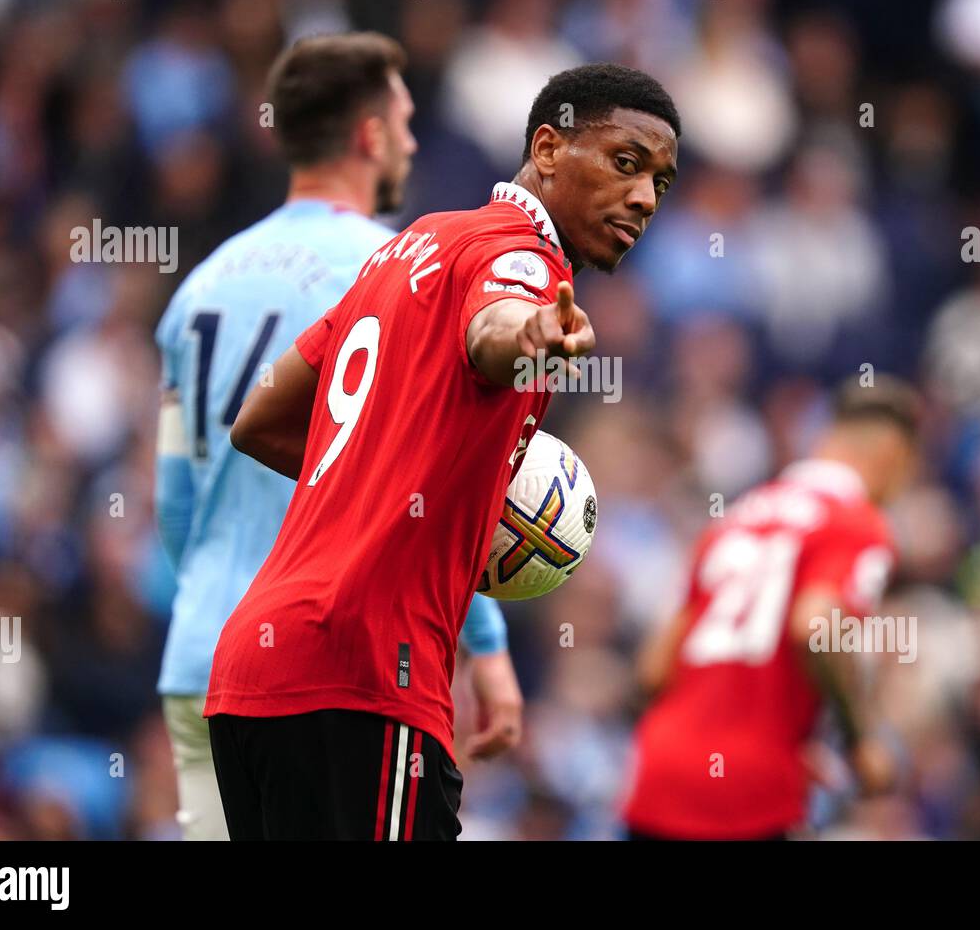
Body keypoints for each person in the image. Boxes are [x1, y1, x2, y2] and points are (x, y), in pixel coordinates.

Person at [204, 62, 681, 840]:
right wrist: (529, 339)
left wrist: (392, 481)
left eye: (661, 182)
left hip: (256, 668)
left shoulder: (415, 245)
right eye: (626, 163)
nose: (644, 198)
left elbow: (259, 420)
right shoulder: (524, 258)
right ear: (549, 147)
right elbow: (497, 328)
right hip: (365, 672)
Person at [153, 33, 521, 841]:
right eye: (406, 120)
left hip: (209, 662)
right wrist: (485, 645)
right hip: (332, 654)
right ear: (370, 135)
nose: (415, 141)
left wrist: (206, 608)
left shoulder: (201, 285)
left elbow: (174, 505)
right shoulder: (398, 269)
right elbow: (426, 476)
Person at [620, 377, 921, 840]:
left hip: (658, 780)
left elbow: (652, 671)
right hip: (750, 797)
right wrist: (861, 740)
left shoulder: (732, 521)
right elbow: (813, 626)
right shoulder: (858, 523)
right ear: (891, 457)